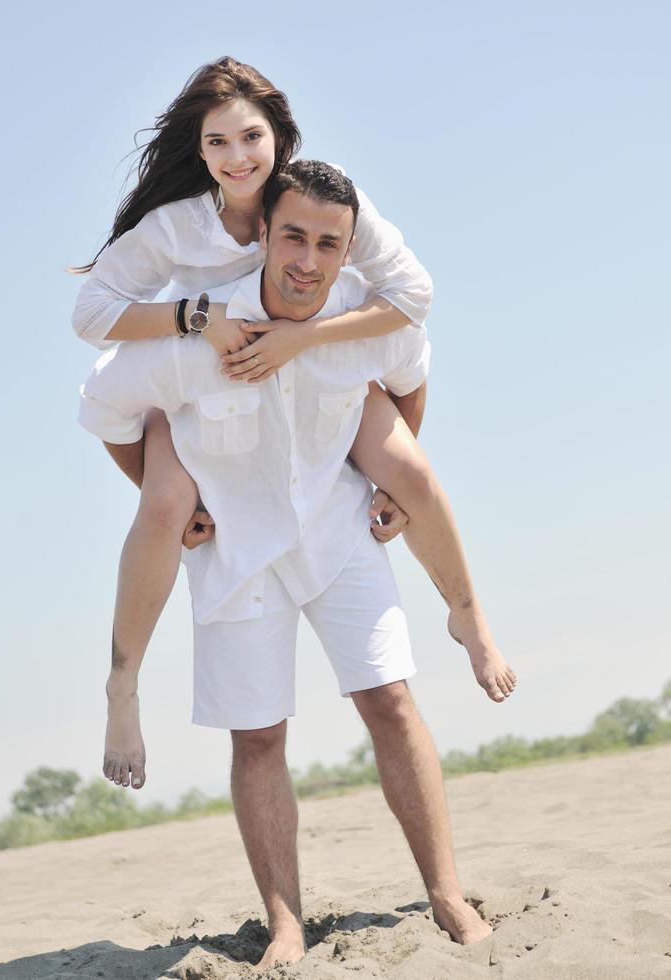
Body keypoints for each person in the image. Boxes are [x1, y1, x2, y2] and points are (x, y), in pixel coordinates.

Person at [78, 161, 494, 964]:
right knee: (258, 739)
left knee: (392, 704)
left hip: (336, 535)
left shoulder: (371, 322)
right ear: (263, 232)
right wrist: (174, 498)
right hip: (235, 554)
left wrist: (389, 484)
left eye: (328, 245)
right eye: (293, 236)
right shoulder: (195, 338)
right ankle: (287, 926)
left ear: (348, 251)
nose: (307, 260)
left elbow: (410, 381)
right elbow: (103, 409)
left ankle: (447, 894)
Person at [71, 56, 515, 794]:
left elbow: (411, 297)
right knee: (165, 507)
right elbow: (90, 319)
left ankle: (466, 616)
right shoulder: (178, 227)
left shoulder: (316, 196)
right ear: (199, 151)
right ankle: (123, 688)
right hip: (206, 382)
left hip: (316, 366)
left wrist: (305, 339)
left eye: (250, 137)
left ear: (278, 135)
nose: (237, 157)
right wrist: (195, 317)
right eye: (217, 143)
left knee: (408, 469)